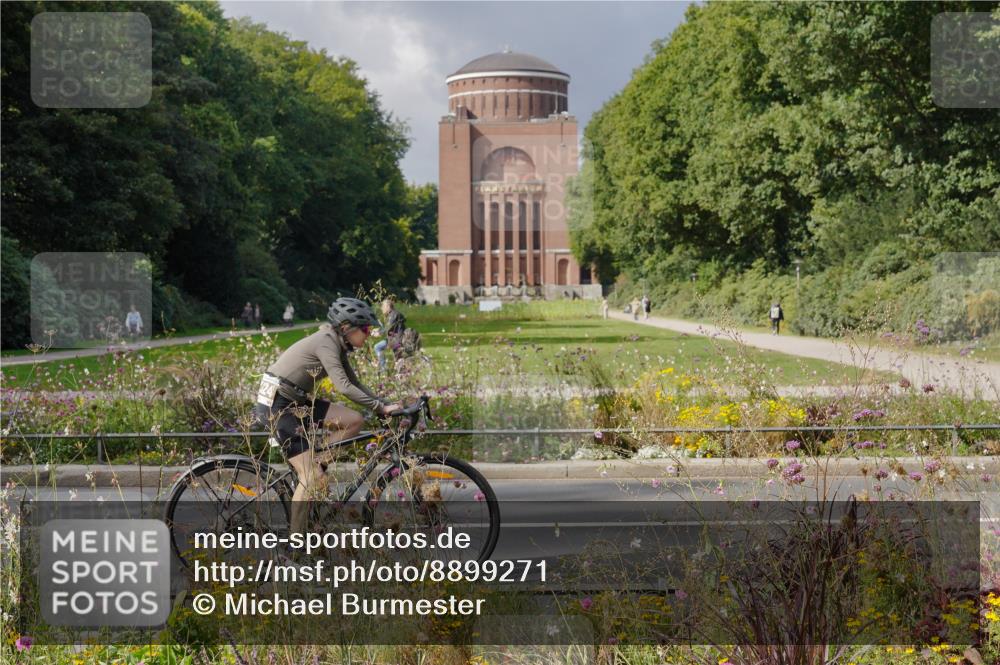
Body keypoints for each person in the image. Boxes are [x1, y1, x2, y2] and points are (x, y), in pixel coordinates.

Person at [254, 297, 403, 536]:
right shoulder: (327, 342)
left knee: (353, 420)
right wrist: (380, 408)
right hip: (277, 405)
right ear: (346, 327)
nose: (368, 334)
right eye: (365, 329)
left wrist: (384, 405)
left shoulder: (338, 343)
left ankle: (318, 461)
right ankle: (296, 546)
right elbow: (343, 386)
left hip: (296, 400)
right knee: (311, 476)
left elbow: (355, 382)